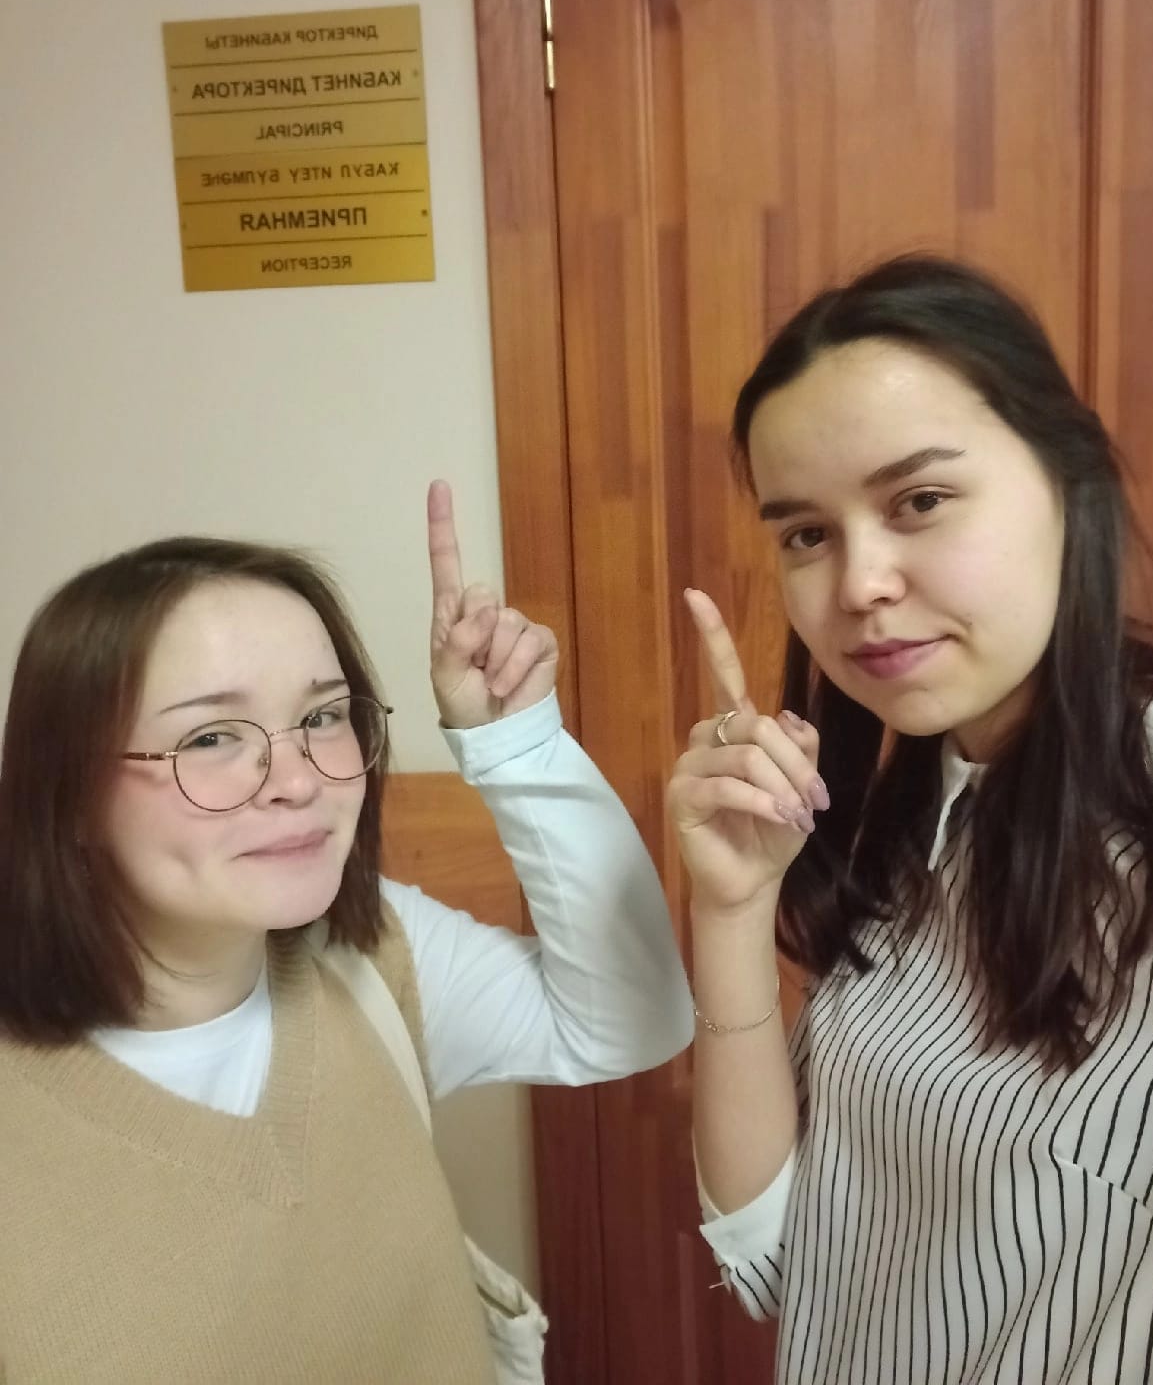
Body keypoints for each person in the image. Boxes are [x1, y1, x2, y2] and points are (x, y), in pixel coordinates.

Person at [0, 481, 693, 1383]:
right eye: (210, 737)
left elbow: (634, 1020)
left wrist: (516, 744)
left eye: (323, 716)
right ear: (68, 791)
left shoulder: (370, 961)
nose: (299, 780)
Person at [669, 257, 1153, 1382]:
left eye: (920, 502)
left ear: (1068, 483)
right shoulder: (914, 817)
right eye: (807, 534)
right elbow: (775, 1258)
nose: (858, 585)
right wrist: (731, 909)